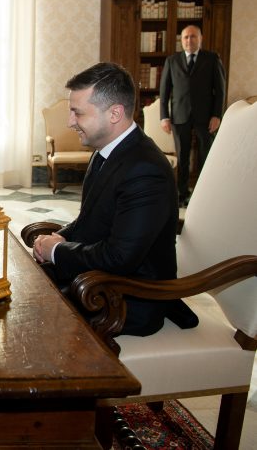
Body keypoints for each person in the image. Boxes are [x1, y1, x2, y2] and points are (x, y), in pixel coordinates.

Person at [31, 62, 197, 337]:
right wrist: (57, 238)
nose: (70, 122)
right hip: (101, 281)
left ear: (115, 113)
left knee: (28, 317)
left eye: (77, 113)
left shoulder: (146, 170)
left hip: (127, 300)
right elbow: (91, 219)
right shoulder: (106, 150)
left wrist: (56, 252)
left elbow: (119, 257)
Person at [159, 25, 226, 206]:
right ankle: (182, 194)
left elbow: (220, 90)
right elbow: (164, 92)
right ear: (182, 40)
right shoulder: (172, 61)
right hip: (180, 117)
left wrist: (217, 115)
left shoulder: (212, 59)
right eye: (186, 37)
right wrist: (164, 116)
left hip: (206, 117)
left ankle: (204, 193)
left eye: (193, 37)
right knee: (183, 156)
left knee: (206, 155)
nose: (189, 40)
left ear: (200, 38)